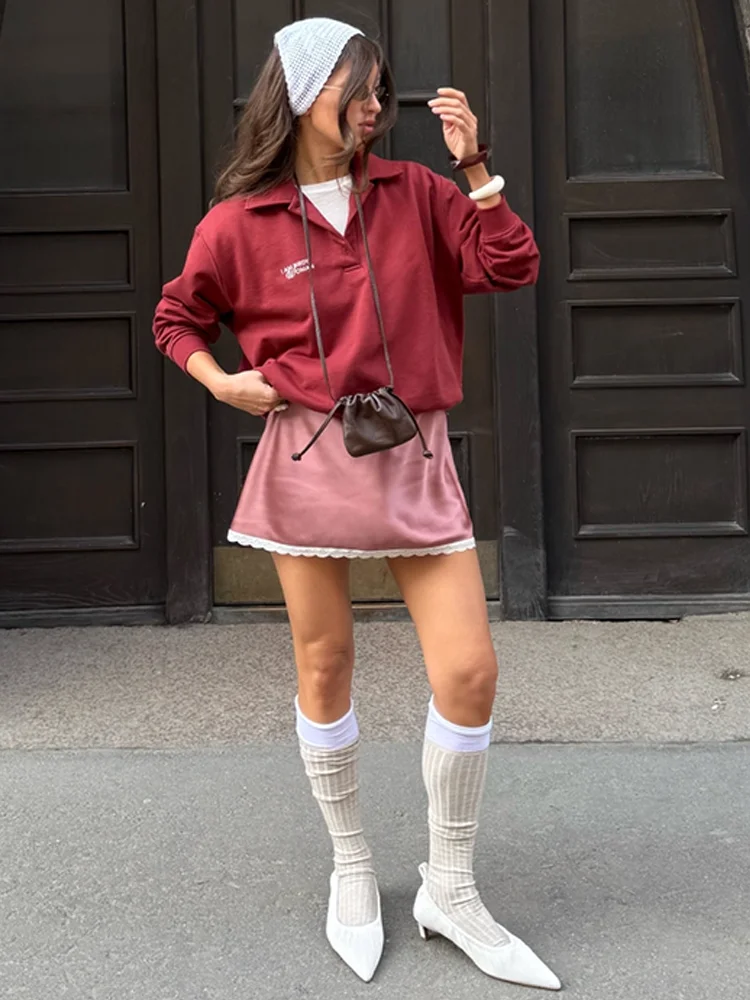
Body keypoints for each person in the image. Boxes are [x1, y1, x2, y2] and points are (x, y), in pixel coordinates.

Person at [153, 16, 559, 990]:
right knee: (325, 662)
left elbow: (510, 264)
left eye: (382, 88)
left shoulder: (418, 193)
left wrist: (476, 169)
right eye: (360, 88)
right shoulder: (237, 224)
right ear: (303, 94)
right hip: (307, 456)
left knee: (469, 670)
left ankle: (449, 887)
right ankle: (351, 863)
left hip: (409, 450)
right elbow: (177, 316)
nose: (378, 105)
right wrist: (222, 382)